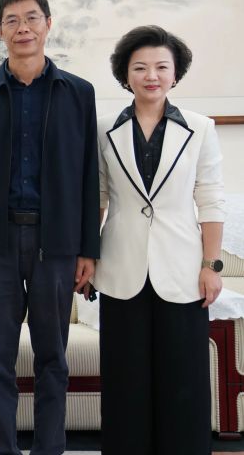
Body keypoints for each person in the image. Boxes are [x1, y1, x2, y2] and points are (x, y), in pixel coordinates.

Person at [0, 0, 99, 455]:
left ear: (48, 24)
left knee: (52, 358)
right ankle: (1, 450)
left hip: (55, 242)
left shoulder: (78, 93)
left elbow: (87, 176)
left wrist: (88, 248)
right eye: (12, 20)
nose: (23, 28)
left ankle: (49, 450)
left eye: (32, 17)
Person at [95, 26, 225, 455]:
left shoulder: (200, 128)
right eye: (140, 68)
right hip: (120, 267)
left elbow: (210, 200)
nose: (151, 76)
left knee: (184, 380)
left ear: (175, 73)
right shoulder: (104, 128)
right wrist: (87, 257)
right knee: (124, 381)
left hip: (183, 269)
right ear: (125, 74)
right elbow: (97, 198)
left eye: (161, 67)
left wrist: (211, 266)